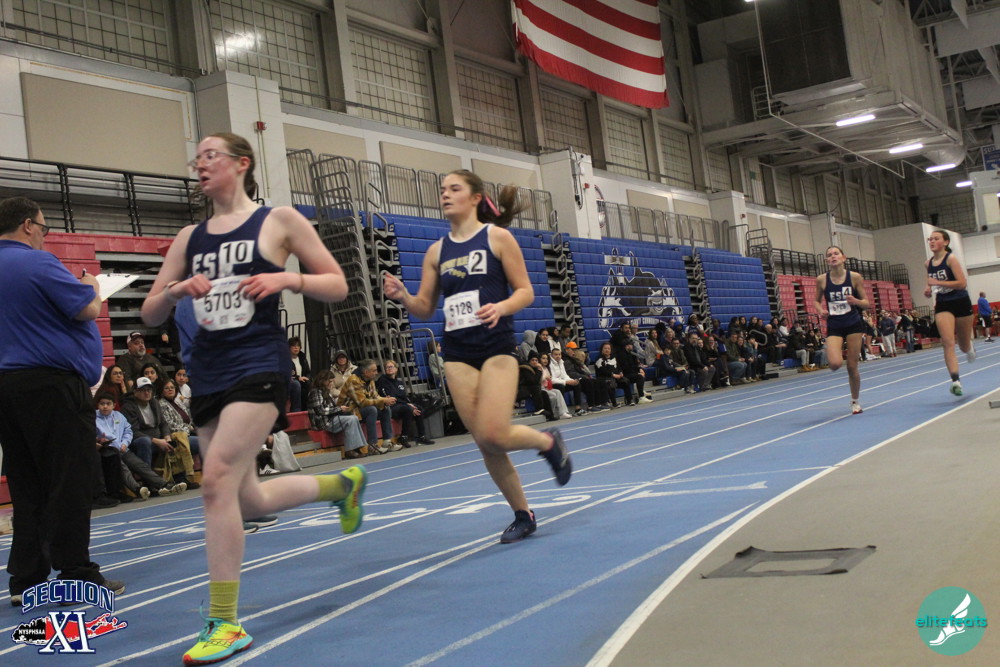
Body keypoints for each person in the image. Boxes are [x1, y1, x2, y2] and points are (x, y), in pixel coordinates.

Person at [140, 132, 366, 665]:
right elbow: (150, 312)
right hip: (207, 375)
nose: (200, 164)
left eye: (211, 155)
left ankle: (225, 622)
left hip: (259, 366)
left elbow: (337, 284)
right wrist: (176, 291)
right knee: (247, 500)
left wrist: (287, 278)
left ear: (242, 163)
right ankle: (341, 485)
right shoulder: (188, 237)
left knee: (214, 478)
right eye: (196, 158)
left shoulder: (277, 221)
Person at [382, 168, 572, 545]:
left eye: (454, 188)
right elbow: (425, 307)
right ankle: (523, 514)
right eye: (442, 189)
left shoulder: (497, 237)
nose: (445, 194)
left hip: (495, 347)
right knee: (485, 442)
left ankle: (547, 442)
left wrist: (501, 307)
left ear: (474, 198)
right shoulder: (436, 252)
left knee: (494, 433)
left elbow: (526, 291)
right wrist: (403, 296)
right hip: (457, 353)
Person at [0, 195, 126, 605]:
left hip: (6, 387)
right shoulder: (37, 262)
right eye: (43, 227)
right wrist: (92, 286)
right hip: (52, 387)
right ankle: (76, 574)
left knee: (26, 484)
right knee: (69, 482)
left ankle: (26, 579)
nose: (43, 235)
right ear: (27, 225)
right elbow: (87, 309)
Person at [815, 245, 870, 414]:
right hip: (834, 325)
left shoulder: (854, 277)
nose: (833, 256)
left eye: (836, 253)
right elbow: (816, 301)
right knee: (835, 363)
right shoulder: (822, 280)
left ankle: (855, 401)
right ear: (827, 260)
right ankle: (832, 354)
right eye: (829, 255)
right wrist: (821, 311)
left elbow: (866, 303)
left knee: (852, 366)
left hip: (853, 323)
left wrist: (855, 301)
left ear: (843, 257)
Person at [924, 229, 975, 395]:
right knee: (947, 341)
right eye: (930, 239)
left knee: (963, 345)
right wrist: (927, 288)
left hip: (960, 301)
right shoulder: (928, 263)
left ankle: (969, 347)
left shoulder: (951, 259)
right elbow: (930, 281)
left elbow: (962, 283)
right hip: (943, 303)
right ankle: (955, 381)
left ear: (945, 242)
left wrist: (938, 282)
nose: (932, 241)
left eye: (936, 238)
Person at [308, 369, 369, 458]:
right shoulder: (316, 392)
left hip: (330, 418)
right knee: (350, 420)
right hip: (323, 422)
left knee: (354, 417)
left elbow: (331, 407)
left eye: (332, 382)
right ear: (323, 381)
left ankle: (361, 446)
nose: (332, 384)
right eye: (330, 381)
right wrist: (339, 409)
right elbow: (320, 410)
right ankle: (350, 450)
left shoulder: (326, 391)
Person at [376, 359, 436, 446]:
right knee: (407, 409)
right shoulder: (383, 380)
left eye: (391, 367)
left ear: (396, 369)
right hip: (390, 407)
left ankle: (421, 437)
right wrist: (407, 405)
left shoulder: (399, 383)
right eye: (387, 367)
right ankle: (403, 437)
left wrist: (410, 404)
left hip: (401, 405)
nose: (389, 369)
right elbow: (391, 398)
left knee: (418, 408)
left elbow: (404, 397)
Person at [547, 347, 586, 415]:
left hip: (562, 382)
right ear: (552, 355)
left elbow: (564, 375)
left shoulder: (561, 362)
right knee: (561, 387)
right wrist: (566, 382)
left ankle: (578, 408)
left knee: (576, 384)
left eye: (559, 354)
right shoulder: (550, 364)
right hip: (553, 384)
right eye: (555, 354)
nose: (558, 356)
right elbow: (552, 379)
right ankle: (562, 411)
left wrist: (572, 381)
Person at [288, 336, 310, 412]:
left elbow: (307, 372)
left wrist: (307, 378)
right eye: (294, 346)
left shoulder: (302, 358)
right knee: (296, 384)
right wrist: (298, 378)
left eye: (298, 346)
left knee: (309, 383)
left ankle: (309, 409)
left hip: (302, 381)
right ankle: (296, 410)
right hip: (290, 382)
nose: (296, 348)